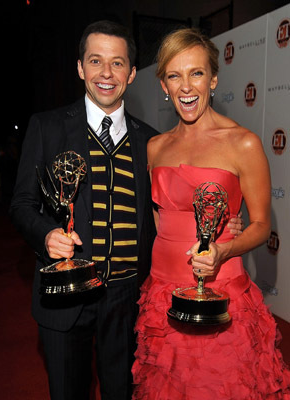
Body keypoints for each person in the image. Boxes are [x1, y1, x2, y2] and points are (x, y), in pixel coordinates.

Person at [10, 21, 243, 400]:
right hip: (65, 296)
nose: (106, 73)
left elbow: (174, 206)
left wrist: (227, 224)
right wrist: (45, 234)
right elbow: (20, 204)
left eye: (117, 63)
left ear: (132, 74)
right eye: (96, 61)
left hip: (127, 301)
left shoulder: (151, 141)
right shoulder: (46, 127)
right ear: (80, 68)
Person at [132, 28, 290, 400]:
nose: (186, 86)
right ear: (163, 85)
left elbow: (262, 226)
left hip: (220, 290)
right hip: (161, 292)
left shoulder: (243, 143)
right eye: (174, 75)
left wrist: (224, 249)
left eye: (196, 73)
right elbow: (160, 219)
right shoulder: (155, 147)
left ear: (214, 79)